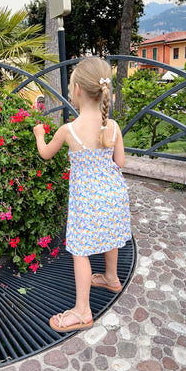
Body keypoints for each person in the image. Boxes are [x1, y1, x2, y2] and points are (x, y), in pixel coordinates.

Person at [33, 56, 131, 333]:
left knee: (80, 252)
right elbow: (120, 163)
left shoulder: (69, 130)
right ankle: (111, 277)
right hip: (114, 196)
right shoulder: (112, 126)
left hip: (87, 202)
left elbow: (46, 154)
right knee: (110, 235)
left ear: (76, 90)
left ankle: (82, 311)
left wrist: (40, 133)